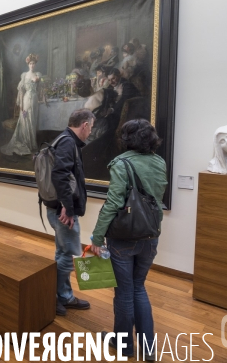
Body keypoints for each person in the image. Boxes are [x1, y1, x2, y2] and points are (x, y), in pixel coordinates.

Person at [90, 119, 167, 360]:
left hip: (123, 238)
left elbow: (113, 203)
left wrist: (97, 236)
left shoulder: (121, 164)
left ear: (126, 139)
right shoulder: (159, 162)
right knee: (139, 287)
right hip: (151, 236)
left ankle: (124, 346)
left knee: (124, 292)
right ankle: (148, 349)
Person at [47, 108, 95, 316]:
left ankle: (64, 295)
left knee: (63, 253)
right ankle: (54, 296)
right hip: (63, 210)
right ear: (84, 125)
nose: (90, 132)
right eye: (90, 128)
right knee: (71, 255)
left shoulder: (64, 139)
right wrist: (67, 206)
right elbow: (60, 175)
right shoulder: (68, 142)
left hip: (58, 208)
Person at [0, 53, 41, 156]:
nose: (32, 65)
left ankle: (32, 143)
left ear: (35, 64)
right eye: (30, 63)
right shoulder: (24, 75)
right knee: (26, 119)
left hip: (35, 100)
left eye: (33, 63)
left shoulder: (38, 74)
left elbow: (39, 83)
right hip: (27, 99)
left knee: (33, 121)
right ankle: (26, 142)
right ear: (28, 64)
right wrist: (22, 107)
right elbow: (21, 92)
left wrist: (36, 79)